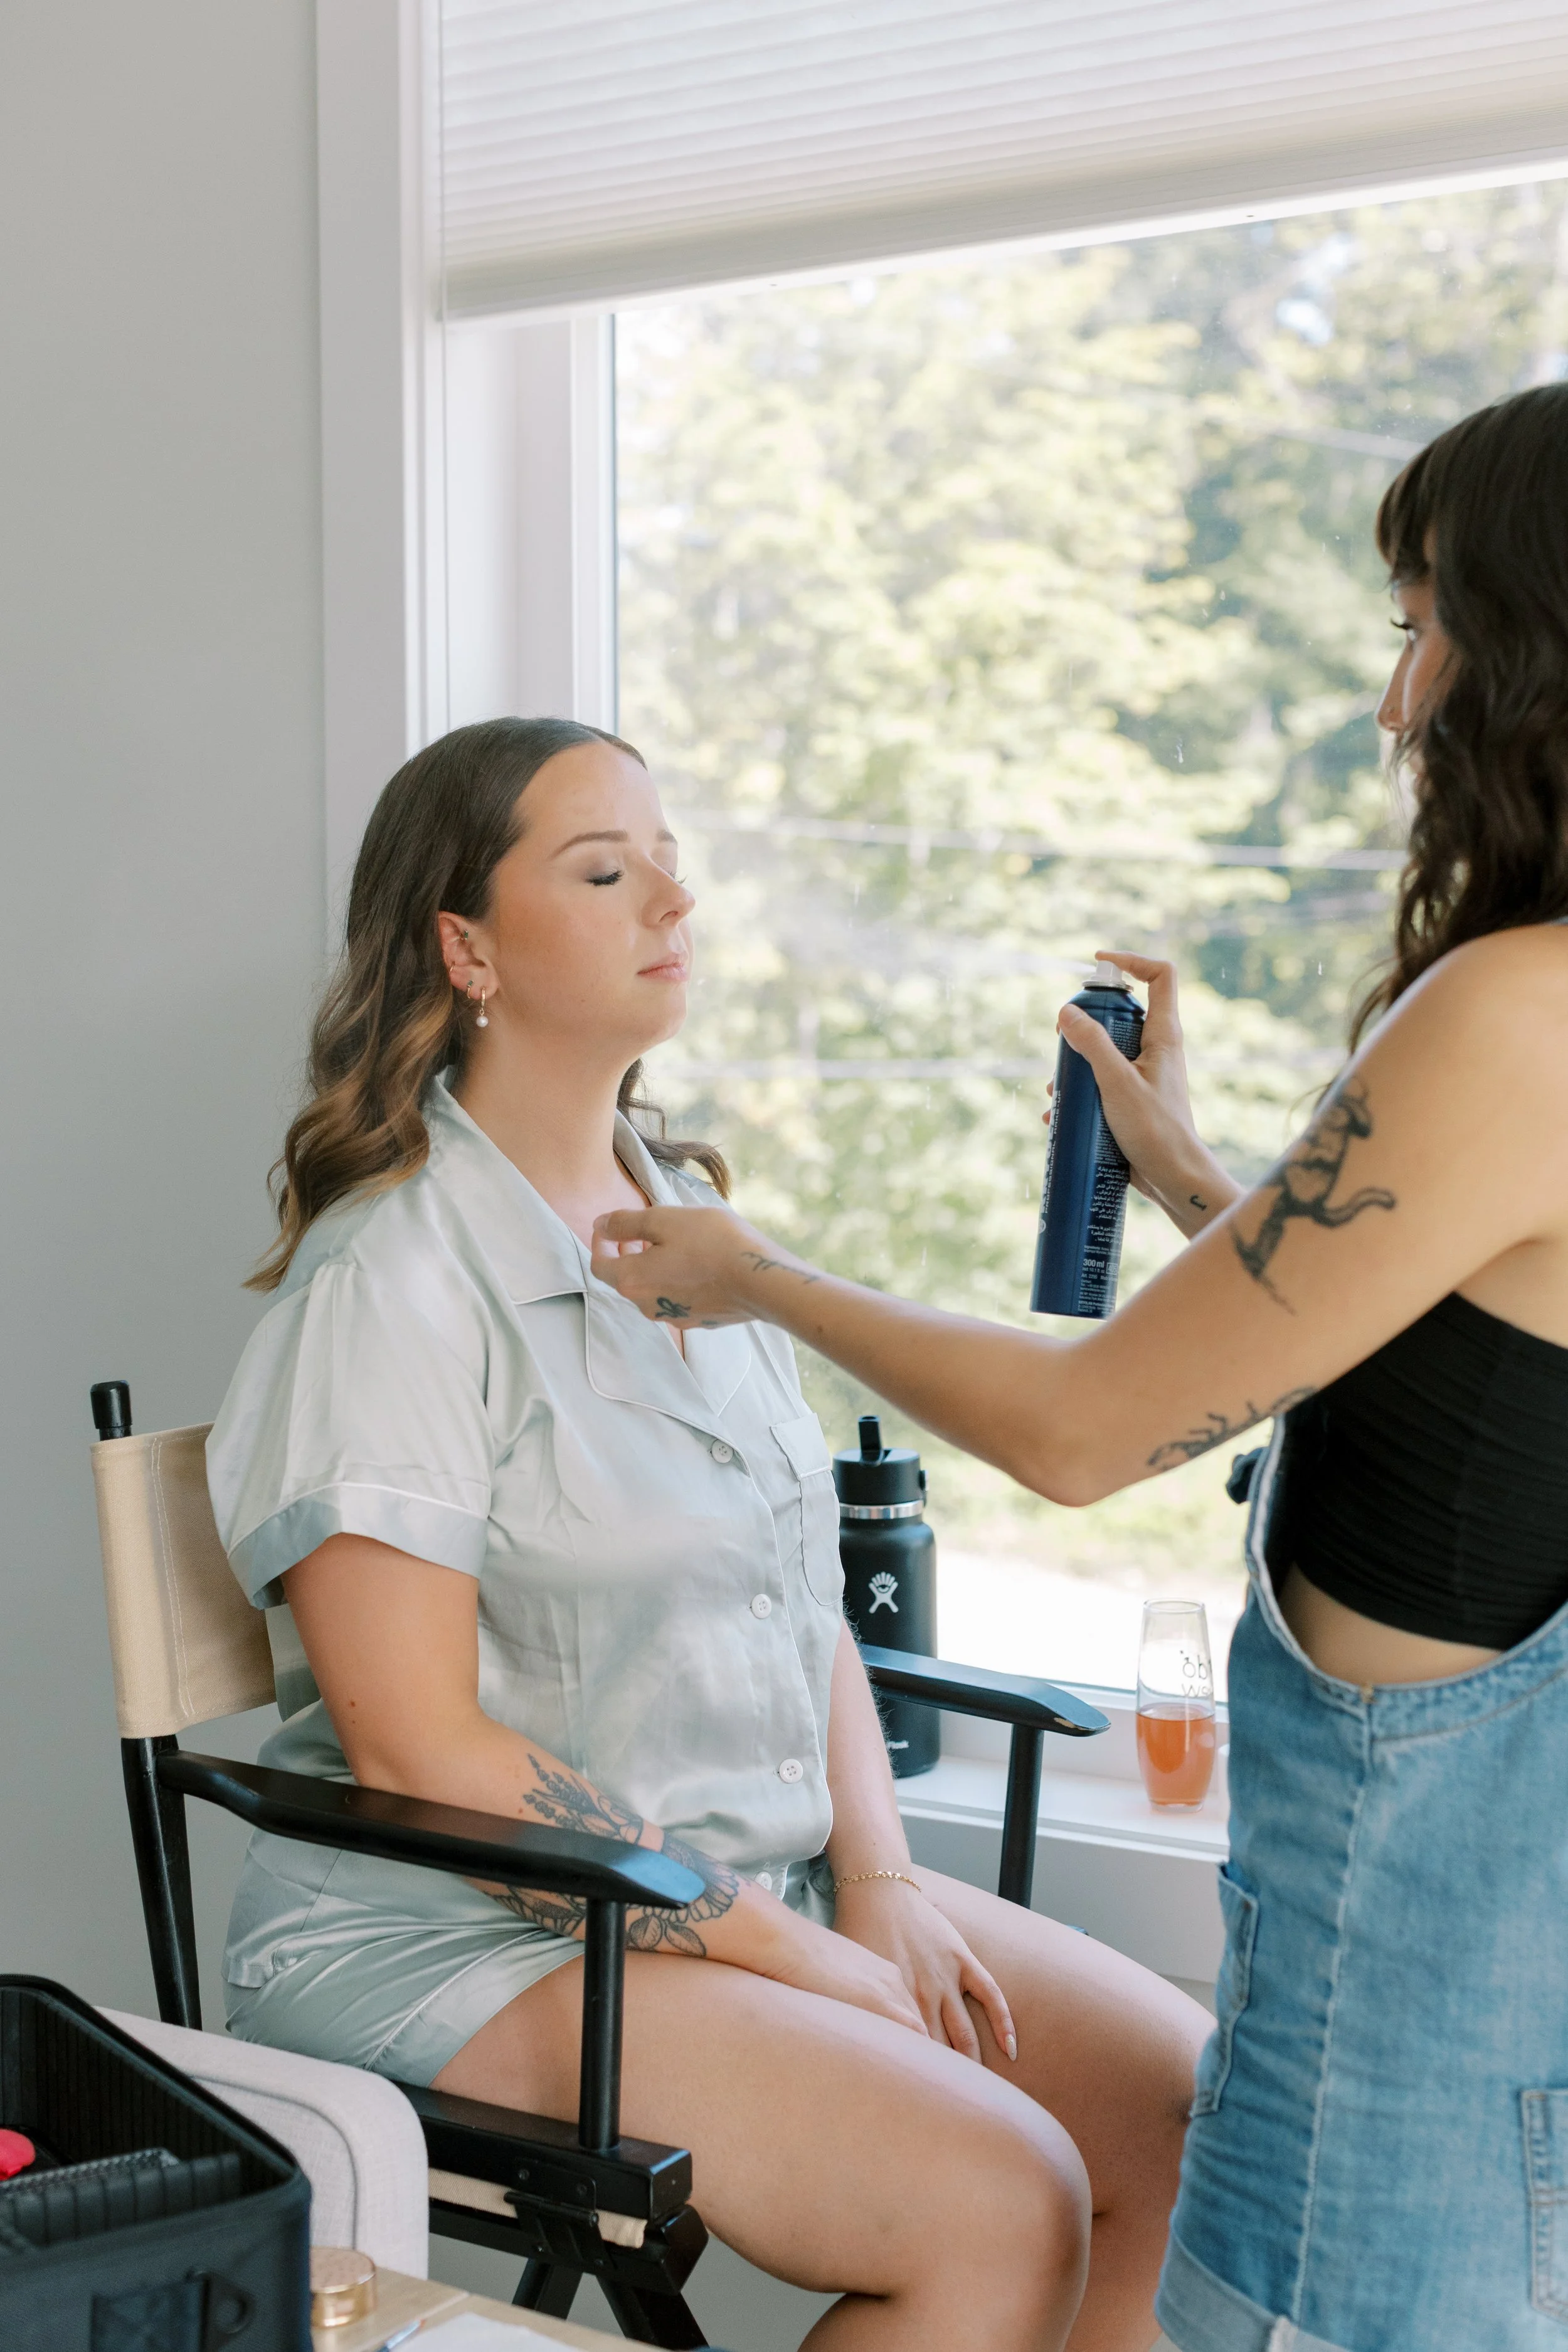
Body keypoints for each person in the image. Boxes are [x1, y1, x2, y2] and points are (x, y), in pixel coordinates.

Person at [593, 383, 1568, 2352]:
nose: (1400, 703)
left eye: (1418, 628)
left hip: (1393, 2052)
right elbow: (1470, 1374)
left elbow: (1082, 1426)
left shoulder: (1509, 1011)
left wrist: (758, 1273)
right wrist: (1205, 1182)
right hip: (1486, 2026)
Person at [207, 714, 1209, 2352]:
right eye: (605, 872)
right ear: (465, 947)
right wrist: (801, 1957)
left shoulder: (693, 1240)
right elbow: (422, 1747)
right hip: (454, 1928)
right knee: (1001, 2197)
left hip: (742, 1885)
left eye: (669, 865)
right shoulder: (388, 1288)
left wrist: (875, 1879)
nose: (671, 903)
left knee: (1191, 2120)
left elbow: (790, 1581)